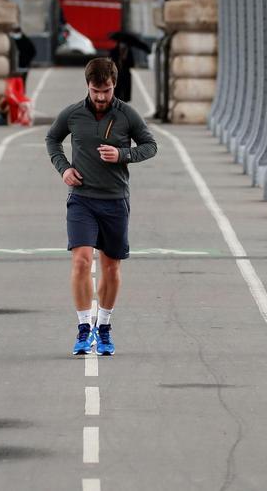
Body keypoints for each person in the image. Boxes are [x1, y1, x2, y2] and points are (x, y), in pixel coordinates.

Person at [45, 58, 158, 356]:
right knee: (81, 261)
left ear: (114, 86)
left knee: (111, 266)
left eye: (106, 91)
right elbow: (52, 139)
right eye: (96, 91)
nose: (101, 97)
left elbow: (150, 146)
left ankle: (104, 327)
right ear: (88, 86)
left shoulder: (127, 115)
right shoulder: (72, 114)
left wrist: (122, 154)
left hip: (115, 201)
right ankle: (84, 328)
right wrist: (64, 169)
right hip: (82, 199)